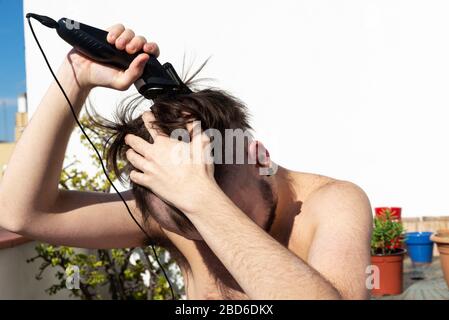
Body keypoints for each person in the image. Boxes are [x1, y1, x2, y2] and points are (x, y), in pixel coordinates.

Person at [0, 24, 372, 299]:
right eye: (191, 220)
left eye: (221, 214)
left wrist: (203, 200)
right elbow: (21, 213)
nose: (207, 236)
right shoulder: (175, 207)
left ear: (259, 156)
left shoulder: (334, 203)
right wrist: (75, 76)